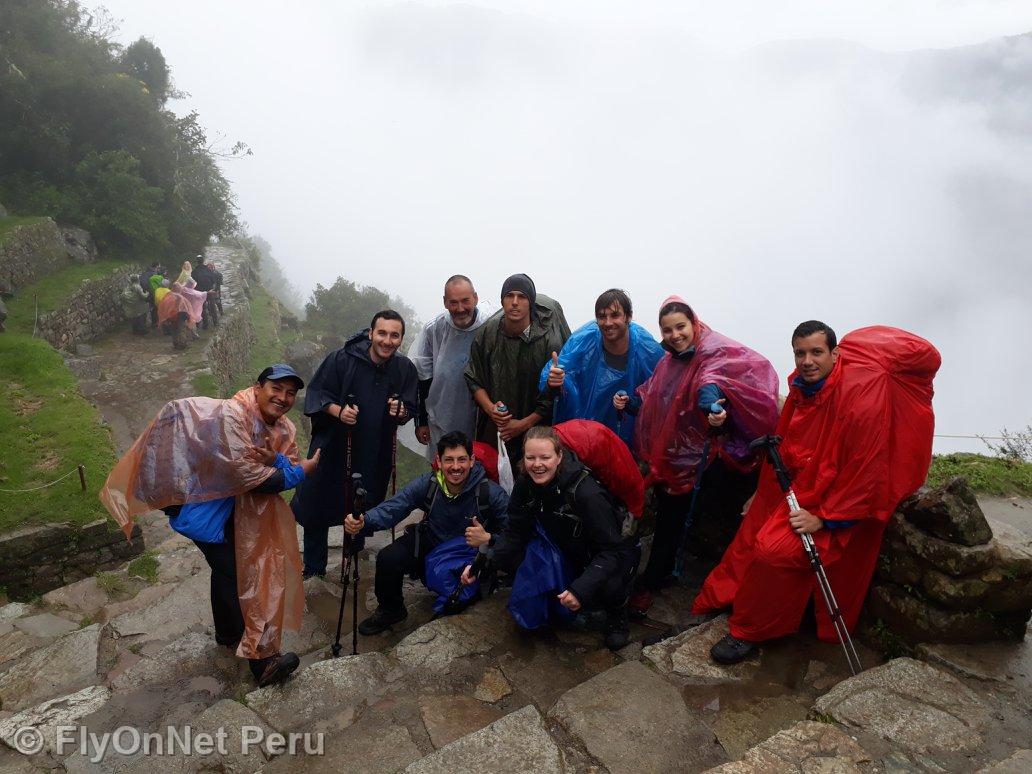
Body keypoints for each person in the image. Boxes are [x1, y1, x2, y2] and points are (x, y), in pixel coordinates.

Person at [695, 322, 939, 664]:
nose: (807, 361)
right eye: (800, 353)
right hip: (806, 484)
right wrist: (763, 492)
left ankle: (750, 631)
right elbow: (786, 442)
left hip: (834, 503)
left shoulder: (861, 400)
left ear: (835, 354)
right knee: (751, 534)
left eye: (816, 352)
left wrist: (825, 519)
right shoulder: (804, 387)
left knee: (773, 551)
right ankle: (729, 598)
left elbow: (864, 470)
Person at [100, 365, 319, 686]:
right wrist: (302, 471)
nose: (283, 398)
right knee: (251, 573)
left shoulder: (283, 427)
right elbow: (250, 477)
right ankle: (263, 663)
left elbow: (285, 461)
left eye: (290, 393)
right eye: (276, 389)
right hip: (206, 509)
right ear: (257, 387)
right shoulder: (233, 417)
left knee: (229, 571)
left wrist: (279, 462)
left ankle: (229, 634)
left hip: (239, 511)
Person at [629, 296, 779, 617]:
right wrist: (629, 404)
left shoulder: (713, 351)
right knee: (671, 518)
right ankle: (657, 577)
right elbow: (655, 396)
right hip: (679, 458)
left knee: (717, 512)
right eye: (667, 330)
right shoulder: (669, 361)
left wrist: (712, 406)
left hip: (710, 455)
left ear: (693, 323)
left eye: (680, 327)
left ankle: (730, 582)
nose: (674, 335)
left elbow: (711, 381)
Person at [461, 427, 640, 650]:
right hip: (563, 547)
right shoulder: (526, 483)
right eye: (531, 457)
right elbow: (515, 531)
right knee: (512, 556)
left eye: (545, 457)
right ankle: (557, 591)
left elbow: (612, 551)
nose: (538, 464)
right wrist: (482, 565)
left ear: (559, 457)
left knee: (611, 582)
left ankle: (616, 615)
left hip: (599, 555)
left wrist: (580, 589)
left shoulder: (586, 493)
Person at [291, 310, 419, 578]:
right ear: (371, 333)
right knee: (317, 503)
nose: (387, 340)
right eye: (382, 333)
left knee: (362, 501)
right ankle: (314, 569)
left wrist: (402, 411)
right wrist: (339, 411)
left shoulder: (404, 368)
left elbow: (410, 407)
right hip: (334, 446)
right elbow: (317, 393)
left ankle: (354, 554)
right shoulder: (341, 359)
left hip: (375, 450)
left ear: (401, 339)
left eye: (394, 335)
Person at [343, 430, 509, 633]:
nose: (455, 467)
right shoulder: (430, 484)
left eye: (461, 460)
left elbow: (515, 534)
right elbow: (396, 506)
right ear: (438, 461)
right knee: (388, 558)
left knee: (454, 606)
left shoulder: (490, 493)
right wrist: (364, 520)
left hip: (467, 556)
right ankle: (391, 609)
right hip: (433, 542)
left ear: (472, 460)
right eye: (449, 460)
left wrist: (489, 538)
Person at [464, 273, 571, 463]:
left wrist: (523, 425)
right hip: (498, 426)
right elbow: (473, 376)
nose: (515, 302)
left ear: (530, 302)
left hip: (537, 429)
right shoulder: (489, 332)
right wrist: (490, 409)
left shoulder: (548, 340)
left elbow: (551, 398)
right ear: (502, 300)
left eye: (521, 297)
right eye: (509, 296)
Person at [539, 288, 663, 449]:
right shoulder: (585, 339)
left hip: (629, 439)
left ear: (628, 316)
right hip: (584, 434)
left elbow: (661, 393)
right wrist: (554, 381)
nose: (608, 322)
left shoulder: (647, 349)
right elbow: (560, 371)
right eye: (602, 317)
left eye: (615, 315)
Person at [410, 275, 494, 462]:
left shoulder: (490, 326)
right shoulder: (435, 329)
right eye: (453, 303)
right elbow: (424, 375)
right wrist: (422, 421)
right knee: (444, 468)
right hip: (442, 417)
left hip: (481, 418)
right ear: (445, 302)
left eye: (465, 301)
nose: (460, 308)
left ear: (475, 298)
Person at [192, 254, 221, 329]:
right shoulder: (208, 270)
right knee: (212, 305)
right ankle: (215, 322)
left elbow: (193, 283)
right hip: (209, 290)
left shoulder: (195, 272)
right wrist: (212, 288)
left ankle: (205, 324)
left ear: (197, 262)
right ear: (203, 261)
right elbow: (213, 279)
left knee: (202, 308)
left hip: (200, 292)